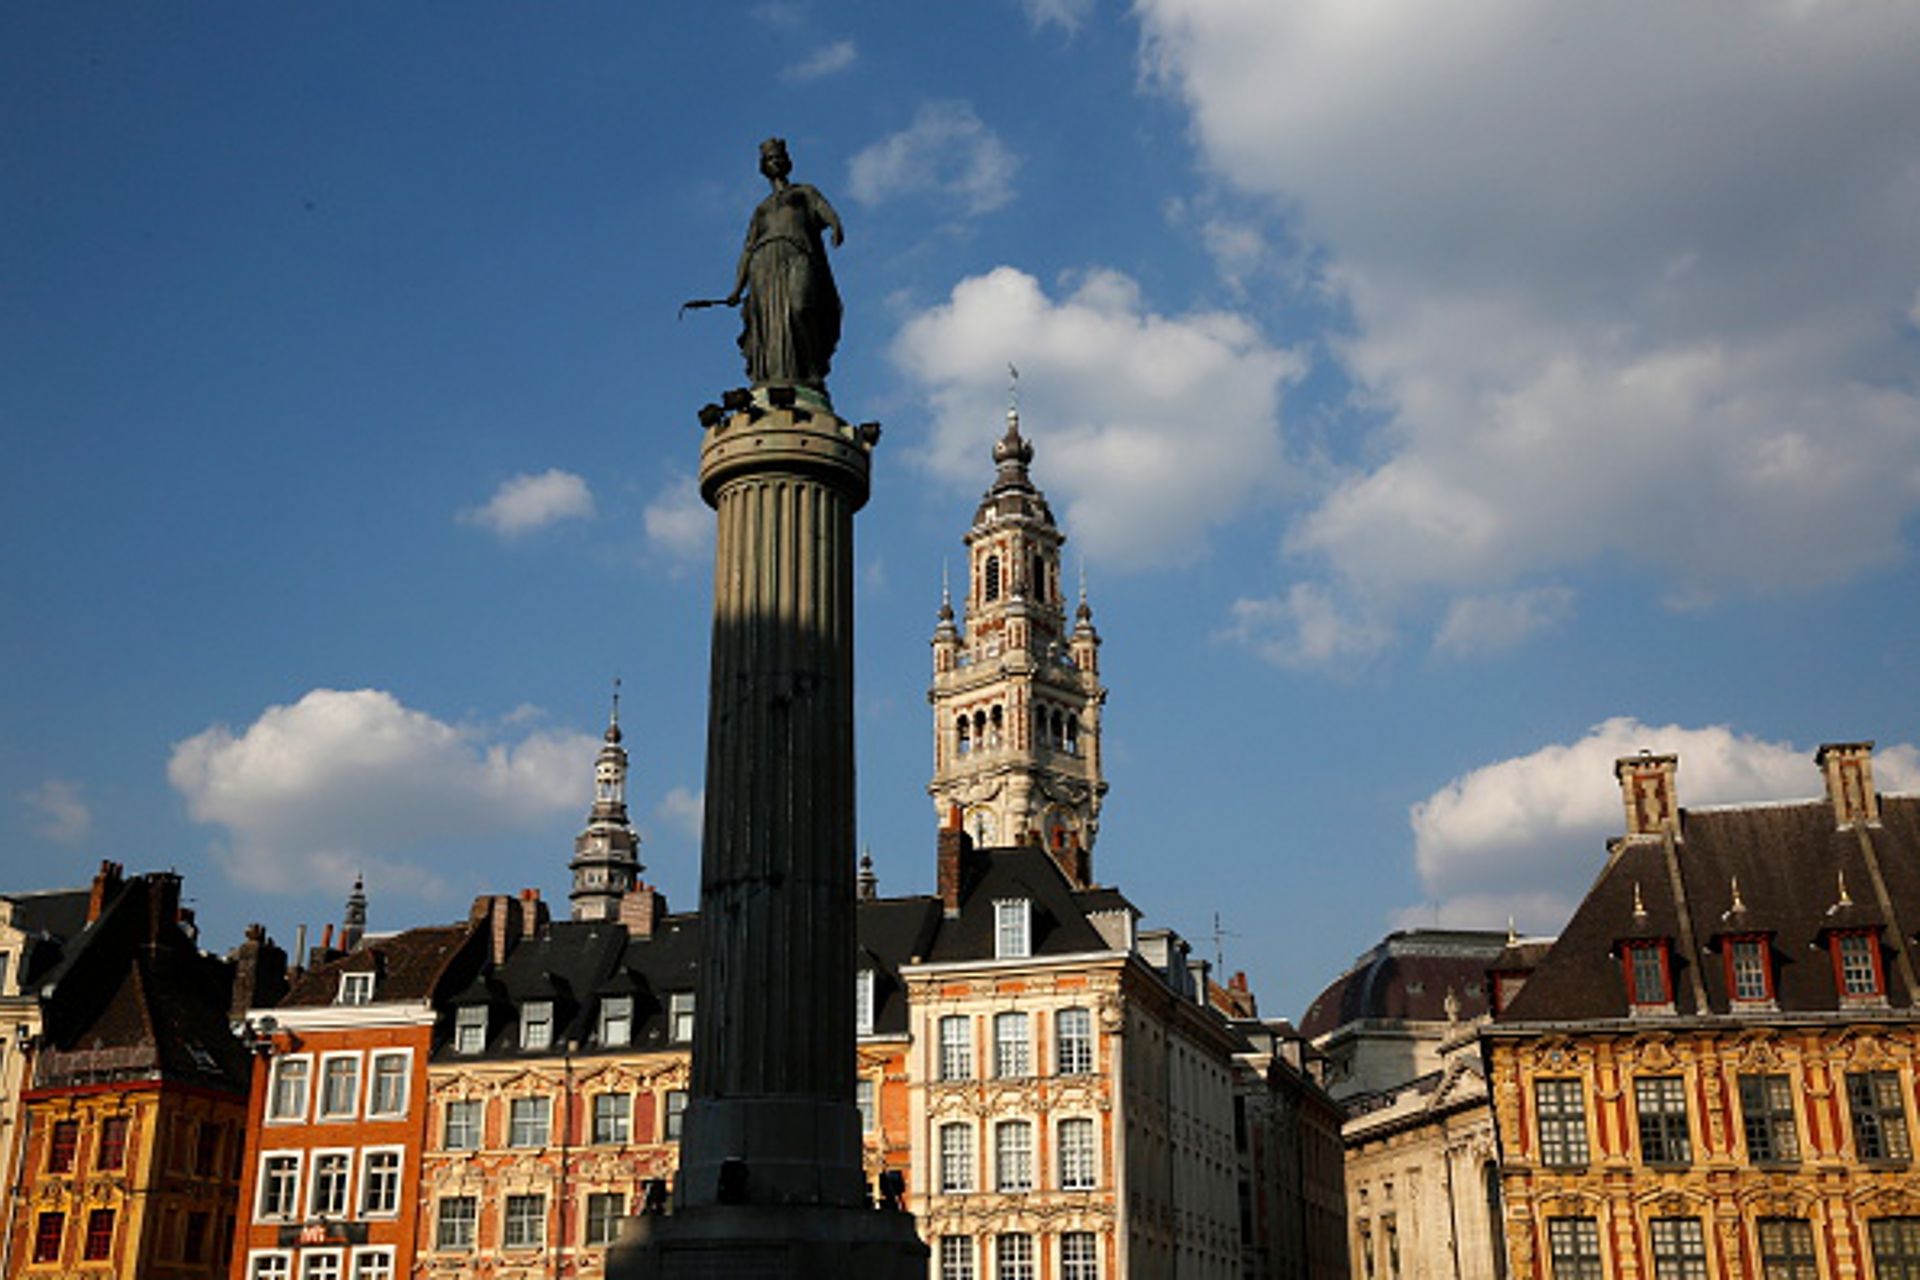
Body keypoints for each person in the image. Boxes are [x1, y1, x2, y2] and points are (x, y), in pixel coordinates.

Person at [725, 138, 845, 391]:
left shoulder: (804, 192)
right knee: (769, 324)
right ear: (764, 167)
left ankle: (811, 369)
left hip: (797, 253)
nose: (775, 161)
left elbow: (824, 210)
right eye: (769, 159)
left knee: (801, 307)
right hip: (764, 262)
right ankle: (774, 375)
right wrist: (737, 288)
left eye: (778, 157)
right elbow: (748, 248)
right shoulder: (761, 209)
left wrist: (835, 224)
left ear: (787, 162)